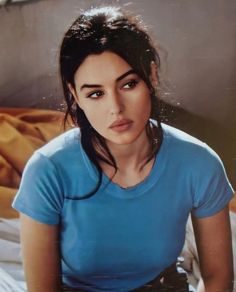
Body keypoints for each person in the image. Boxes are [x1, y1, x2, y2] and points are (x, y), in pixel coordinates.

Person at [12, 5, 234, 292]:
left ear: (151, 76)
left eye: (128, 84)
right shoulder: (47, 170)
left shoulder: (199, 162)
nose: (115, 108)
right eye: (95, 93)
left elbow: (218, 279)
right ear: (74, 95)